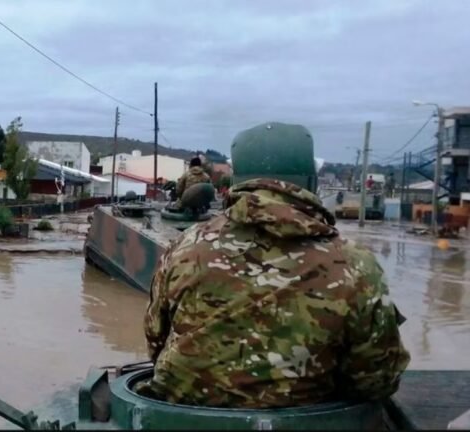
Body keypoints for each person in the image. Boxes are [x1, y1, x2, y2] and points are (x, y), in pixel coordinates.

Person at [138, 122, 410, 409]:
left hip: (185, 418)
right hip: (309, 420)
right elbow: (377, 379)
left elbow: (156, 343)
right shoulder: (357, 265)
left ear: (235, 182)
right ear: (312, 183)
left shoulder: (184, 247)